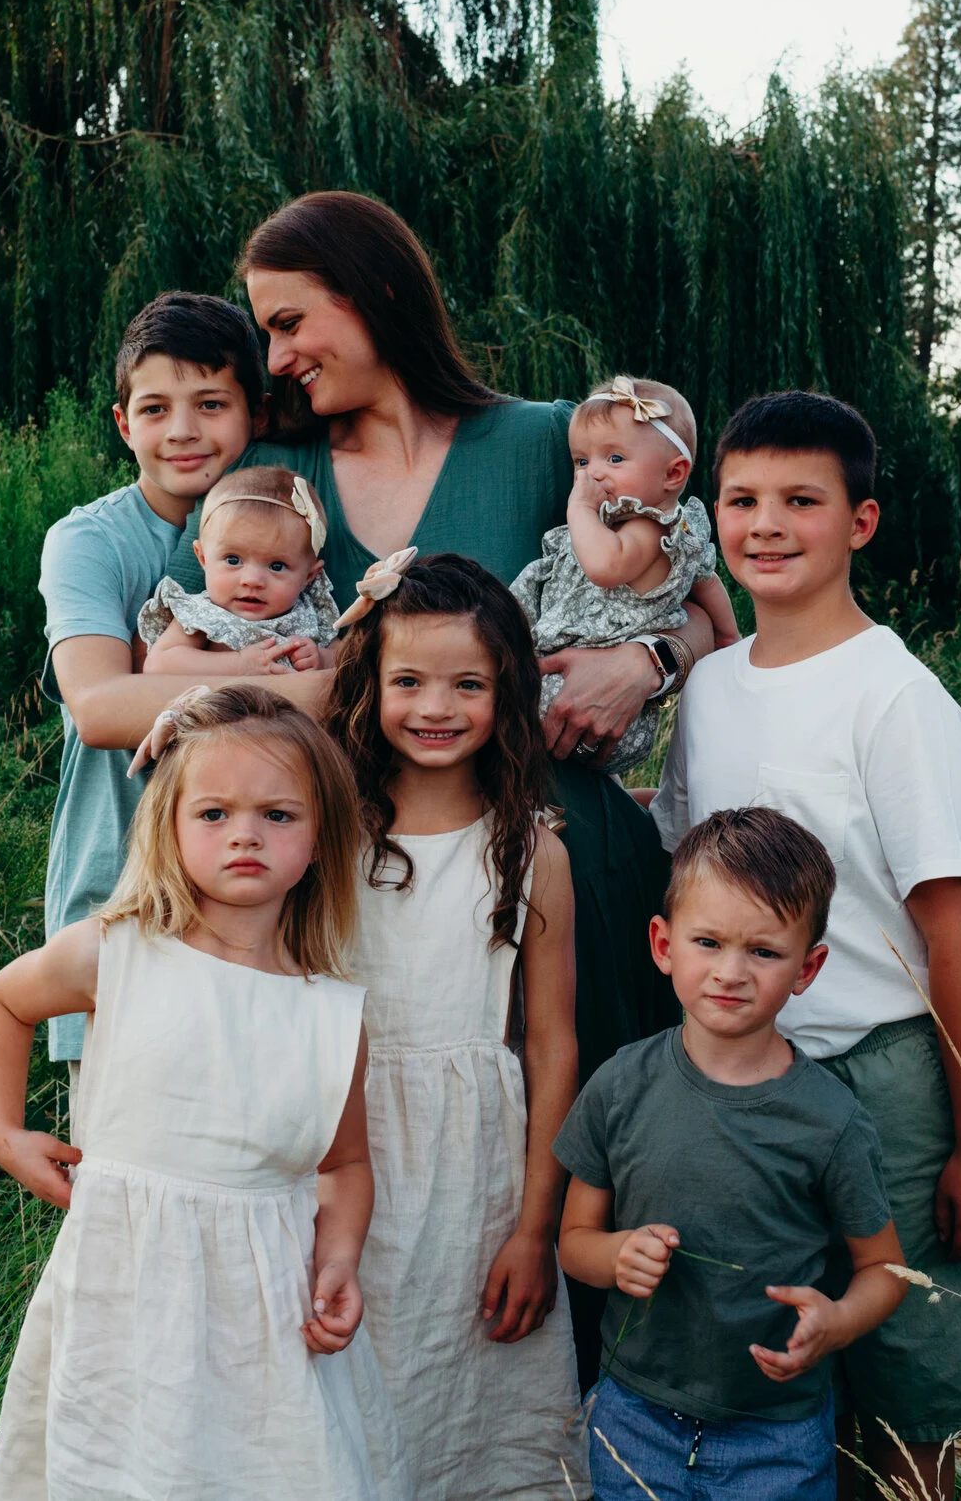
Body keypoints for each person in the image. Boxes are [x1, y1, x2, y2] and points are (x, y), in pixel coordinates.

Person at [160, 192, 732, 1374]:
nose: (273, 358)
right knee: (392, 1172)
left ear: (368, 296)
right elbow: (183, 655)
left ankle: (637, 1428)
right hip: (371, 877)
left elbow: (711, 600)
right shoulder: (275, 476)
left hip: (561, 854)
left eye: (288, 321)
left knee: (600, 1159)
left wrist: (646, 659)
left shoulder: (542, 441)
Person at [647, 392, 961, 1500]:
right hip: (736, 1074)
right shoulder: (711, 687)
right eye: (743, 500)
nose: (766, 524)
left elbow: (951, 925)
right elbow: (682, 853)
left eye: (800, 501)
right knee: (774, 1354)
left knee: (911, 1373)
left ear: (858, 521)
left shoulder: (895, 697)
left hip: (877, 1075)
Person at [0, 685, 404, 1499]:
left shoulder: (331, 1012)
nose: (246, 832)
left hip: (265, 1318)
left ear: (319, 840)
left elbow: (345, 1163)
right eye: (215, 813)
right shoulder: (118, 952)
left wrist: (340, 1257)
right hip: (128, 1299)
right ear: (170, 824)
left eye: (278, 814)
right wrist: (6, 1130)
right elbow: (4, 1001)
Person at [320, 550, 587, 1497]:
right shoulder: (325, 830)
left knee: (470, 1406)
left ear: (505, 689)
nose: (436, 706)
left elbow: (553, 1043)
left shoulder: (529, 850)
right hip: (340, 1153)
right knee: (344, 1396)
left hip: (476, 1173)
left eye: (468, 683)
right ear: (369, 684)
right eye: (408, 681)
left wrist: (535, 1228)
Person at [557, 807, 906, 1501]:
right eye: (707, 941)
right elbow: (574, 1242)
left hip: (777, 1436)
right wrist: (618, 1253)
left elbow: (886, 1270)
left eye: (764, 951)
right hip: (635, 1418)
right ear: (663, 944)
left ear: (808, 967)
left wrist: (836, 1321)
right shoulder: (620, 1084)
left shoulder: (829, 1120)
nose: (730, 971)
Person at [36, 293, 305, 1065]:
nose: (183, 429)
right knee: (119, 1139)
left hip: (256, 888)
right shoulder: (90, 541)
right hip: (122, 878)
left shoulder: (292, 529)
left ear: (255, 412)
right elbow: (101, 706)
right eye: (155, 408)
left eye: (211, 403)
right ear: (124, 424)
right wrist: (299, 689)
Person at [509, 375, 739, 775]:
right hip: (580, 686)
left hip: (591, 703)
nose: (592, 474)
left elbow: (604, 568)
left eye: (614, 459)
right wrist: (727, 636)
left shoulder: (648, 530)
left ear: (673, 474)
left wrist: (578, 510)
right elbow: (707, 583)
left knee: (500, 705)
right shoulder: (663, 534)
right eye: (582, 461)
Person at [139, 465, 339, 673]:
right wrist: (240, 664)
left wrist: (322, 659)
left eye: (276, 566)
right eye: (233, 560)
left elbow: (347, 657)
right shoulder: (204, 614)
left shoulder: (311, 612)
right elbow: (158, 664)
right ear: (203, 558)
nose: (252, 580)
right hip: (216, 704)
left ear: (308, 575)